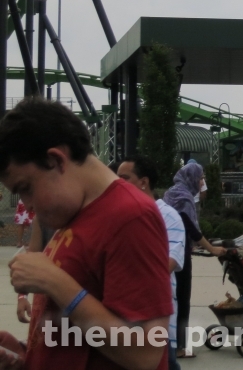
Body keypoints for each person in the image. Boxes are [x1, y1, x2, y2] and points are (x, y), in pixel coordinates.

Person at [0, 97, 173, 370]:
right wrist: (26, 356)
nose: (28, 204)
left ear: (56, 160)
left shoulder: (130, 216)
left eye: (26, 187)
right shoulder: (75, 214)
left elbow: (145, 353)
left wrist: (56, 282)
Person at [117, 157, 187, 370]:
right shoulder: (119, 216)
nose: (117, 183)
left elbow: (168, 263)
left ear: (143, 182)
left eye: (124, 178)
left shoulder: (168, 217)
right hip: (123, 313)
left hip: (155, 314)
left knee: (165, 363)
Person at [164, 162, 227, 358]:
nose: (202, 182)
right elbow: (191, 230)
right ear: (192, 178)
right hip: (179, 254)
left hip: (166, 250)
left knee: (171, 298)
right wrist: (213, 249)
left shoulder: (170, 194)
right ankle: (180, 347)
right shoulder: (184, 199)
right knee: (182, 299)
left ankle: (168, 343)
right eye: (201, 178)